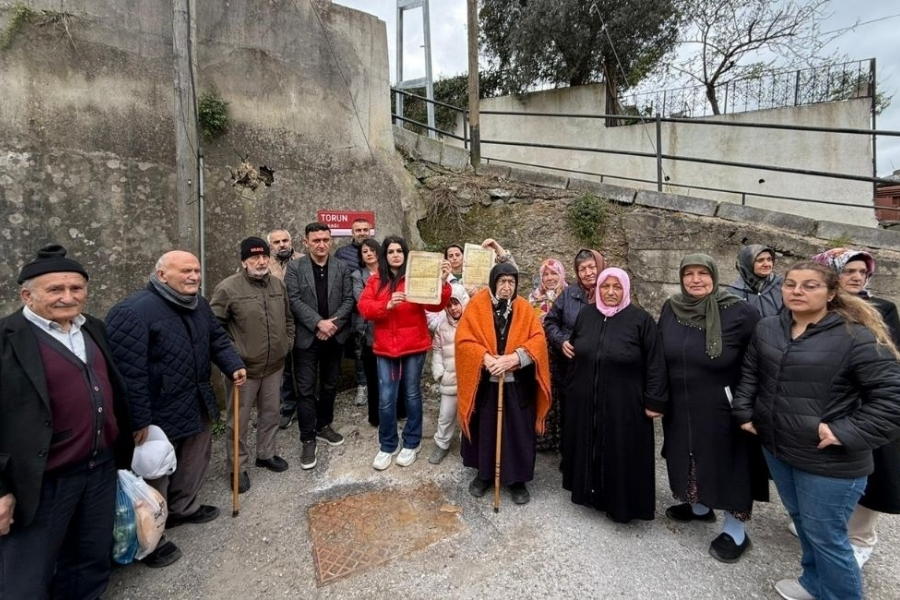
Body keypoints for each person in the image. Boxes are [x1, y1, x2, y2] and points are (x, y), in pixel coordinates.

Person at [733, 260, 900, 600]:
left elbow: (892, 398)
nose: (797, 291)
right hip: (779, 447)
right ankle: (813, 583)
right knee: (804, 522)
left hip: (830, 458)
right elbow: (752, 372)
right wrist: (745, 411)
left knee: (828, 536)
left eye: (810, 285)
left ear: (832, 292)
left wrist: (847, 432)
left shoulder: (856, 336)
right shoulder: (769, 328)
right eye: (791, 284)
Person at [0, 245, 134, 598]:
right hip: (42, 479)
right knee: (26, 577)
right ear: (26, 294)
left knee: (90, 559)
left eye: (76, 288)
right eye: (55, 290)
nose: (68, 297)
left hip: (99, 468)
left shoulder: (93, 329)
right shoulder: (6, 339)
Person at [106, 250, 246, 567]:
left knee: (196, 457)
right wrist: (138, 419)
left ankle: (183, 508)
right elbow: (128, 375)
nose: (194, 276)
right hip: (157, 409)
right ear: (162, 275)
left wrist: (232, 364)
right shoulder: (132, 312)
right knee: (155, 471)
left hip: (195, 397)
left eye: (196, 270)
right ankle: (151, 538)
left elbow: (217, 339)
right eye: (185, 271)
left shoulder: (198, 304)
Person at [657, 253, 763, 563]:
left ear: (714, 276)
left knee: (729, 464)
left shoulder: (740, 313)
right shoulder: (672, 308)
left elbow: (757, 362)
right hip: (680, 403)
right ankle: (699, 507)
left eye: (702, 273)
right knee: (686, 453)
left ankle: (735, 531)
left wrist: (747, 403)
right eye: (688, 273)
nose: (695, 280)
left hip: (723, 405)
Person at [812, 247, 900, 568]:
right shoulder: (817, 306)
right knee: (825, 471)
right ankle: (826, 526)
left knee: (869, 469)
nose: (858, 277)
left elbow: (889, 359)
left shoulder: (881, 309)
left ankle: (861, 538)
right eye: (849, 271)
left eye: (862, 272)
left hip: (864, 404)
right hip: (823, 402)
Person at [561, 267, 667, 523]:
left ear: (625, 289)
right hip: (587, 399)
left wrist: (654, 401)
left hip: (625, 403)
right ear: (597, 289)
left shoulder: (641, 321)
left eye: (616, 287)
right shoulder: (587, 314)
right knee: (589, 444)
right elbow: (576, 348)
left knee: (621, 451)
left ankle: (619, 504)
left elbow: (656, 363)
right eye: (605, 286)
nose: (610, 292)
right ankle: (589, 493)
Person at [456, 262, 552, 505]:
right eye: (502, 282)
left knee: (517, 430)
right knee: (485, 429)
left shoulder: (524, 308)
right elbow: (464, 340)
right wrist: (486, 358)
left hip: (516, 384)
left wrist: (513, 358)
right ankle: (485, 473)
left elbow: (538, 341)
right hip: (486, 384)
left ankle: (517, 479)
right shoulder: (477, 305)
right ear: (493, 283)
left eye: (511, 282)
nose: (507, 287)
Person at [358, 236, 452, 470]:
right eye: (390, 251)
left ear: (405, 254)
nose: (395, 255)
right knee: (386, 398)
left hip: (414, 345)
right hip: (386, 347)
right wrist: (386, 305)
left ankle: (412, 442)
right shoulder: (375, 280)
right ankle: (387, 445)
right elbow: (364, 308)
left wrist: (442, 282)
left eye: (399, 250)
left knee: (411, 394)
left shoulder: (415, 278)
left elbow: (435, 305)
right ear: (385, 256)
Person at [210, 237, 295, 493]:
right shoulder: (228, 288)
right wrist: (233, 357)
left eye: (263, 257)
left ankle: (266, 453)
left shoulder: (278, 286)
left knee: (271, 413)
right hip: (243, 369)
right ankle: (238, 466)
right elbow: (215, 328)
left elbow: (288, 319)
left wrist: (286, 344)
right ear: (243, 262)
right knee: (239, 420)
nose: (260, 262)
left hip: (274, 365)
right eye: (253, 258)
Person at [284, 222, 354, 470]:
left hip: (334, 336)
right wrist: (318, 324)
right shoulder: (294, 268)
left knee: (329, 384)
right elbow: (292, 300)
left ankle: (324, 425)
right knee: (305, 389)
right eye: (316, 240)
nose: (321, 244)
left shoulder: (342, 267)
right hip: (307, 338)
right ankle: (307, 437)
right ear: (306, 242)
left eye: (325, 239)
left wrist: (331, 325)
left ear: (331, 241)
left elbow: (348, 300)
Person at [541, 248, 606, 452]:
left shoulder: (611, 290)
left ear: (600, 266)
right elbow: (551, 321)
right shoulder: (570, 293)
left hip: (602, 367)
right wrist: (561, 341)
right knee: (572, 412)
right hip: (572, 367)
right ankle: (572, 456)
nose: (588, 273)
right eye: (582, 269)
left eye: (591, 267)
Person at [351, 238, 406, 427]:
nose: (369, 254)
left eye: (372, 250)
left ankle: (400, 410)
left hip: (394, 329)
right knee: (374, 377)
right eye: (364, 251)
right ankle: (375, 416)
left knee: (398, 375)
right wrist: (386, 302)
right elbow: (362, 301)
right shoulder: (359, 275)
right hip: (370, 332)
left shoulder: (395, 274)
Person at [267, 228, 304, 431]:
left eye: (285, 240)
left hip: (301, 321)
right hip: (276, 324)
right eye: (276, 242)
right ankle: (288, 407)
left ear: (291, 241)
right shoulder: (264, 264)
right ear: (270, 245)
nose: (282, 244)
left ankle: (306, 404)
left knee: (304, 364)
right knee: (283, 369)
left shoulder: (303, 260)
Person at [429, 283, 470, 464]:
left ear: (463, 302)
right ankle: (442, 443)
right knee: (446, 415)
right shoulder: (442, 327)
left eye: (456, 303)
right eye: (449, 304)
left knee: (468, 415)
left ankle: (467, 444)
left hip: (468, 379)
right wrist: (439, 372)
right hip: (449, 378)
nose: (453, 308)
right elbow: (436, 349)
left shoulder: (472, 324)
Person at [335, 218, 372, 406]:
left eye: (365, 229)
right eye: (358, 230)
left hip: (377, 307)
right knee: (359, 350)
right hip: (354, 310)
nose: (362, 233)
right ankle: (362, 386)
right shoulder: (342, 254)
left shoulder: (377, 249)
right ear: (352, 232)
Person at [724, 244, 784, 317]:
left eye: (769, 259)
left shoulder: (782, 285)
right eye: (760, 260)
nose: (767, 264)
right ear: (748, 263)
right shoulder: (733, 293)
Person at [528, 257, 567, 323]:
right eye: (545, 274)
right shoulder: (534, 297)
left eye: (553, 273)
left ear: (561, 274)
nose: (549, 278)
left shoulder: (569, 294)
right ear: (541, 277)